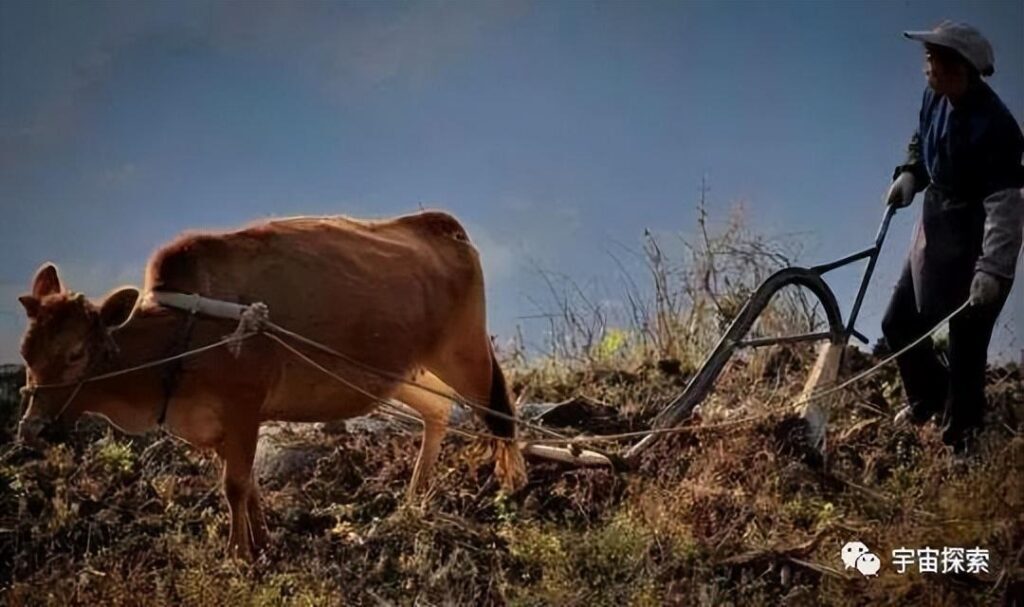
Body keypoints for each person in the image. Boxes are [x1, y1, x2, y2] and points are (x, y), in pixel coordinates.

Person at [882, 21, 1023, 453]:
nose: (926, 65)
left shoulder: (996, 127)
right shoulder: (934, 97)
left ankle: (964, 441)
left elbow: (1006, 205)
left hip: (980, 243)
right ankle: (927, 399)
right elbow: (922, 140)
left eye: (933, 59)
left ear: (957, 68)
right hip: (939, 227)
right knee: (899, 322)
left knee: (967, 341)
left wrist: (993, 270)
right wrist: (910, 172)